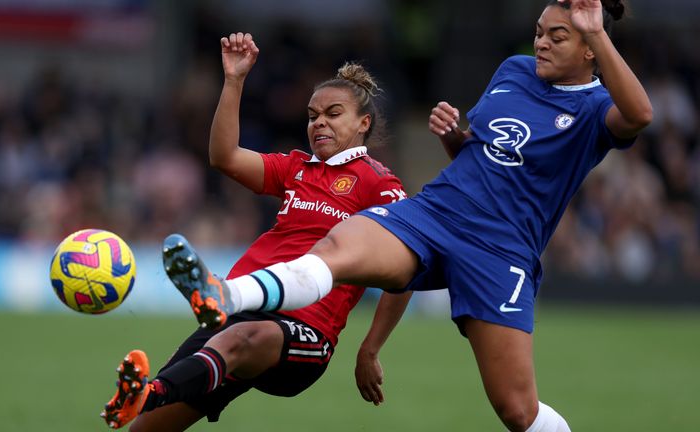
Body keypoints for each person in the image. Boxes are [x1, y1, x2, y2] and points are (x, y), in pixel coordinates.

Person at [172, 1, 653, 431]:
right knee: (339, 246)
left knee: (517, 411)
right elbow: (491, 158)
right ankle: (226, 294)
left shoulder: (595, 109)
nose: (541, 43)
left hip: (500, 249)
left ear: (590, 48)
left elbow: (639, 116)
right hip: (439, 210)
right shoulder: (514, 70)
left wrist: (598, 32)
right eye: (539, 31)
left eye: (558, 36)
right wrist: (455, 142)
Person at [101, 32, 412, 431]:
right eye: (312, 115)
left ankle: (149, 392)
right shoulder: (296, 167)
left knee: (237, 340)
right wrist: (234, 80)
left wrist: (370, 349)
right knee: (146, 428)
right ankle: (150, 397)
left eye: (333, 114)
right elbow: (224, 156)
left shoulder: (379, 184)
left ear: (363, 123)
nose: (319, 122)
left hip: (305, 332)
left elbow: (405, 269)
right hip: (237, 316)